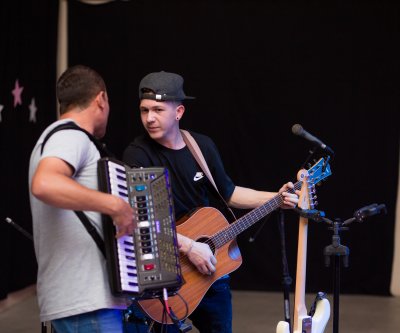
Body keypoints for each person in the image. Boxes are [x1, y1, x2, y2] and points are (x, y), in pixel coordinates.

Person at [122, 71, 300, 333]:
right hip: (165, 273)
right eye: (144, 110)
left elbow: (228, 193)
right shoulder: (137, 155)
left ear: (179, 112)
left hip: (210, 271)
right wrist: (190, 247)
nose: (149, 118)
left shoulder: (201, 146)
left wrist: (275, 197)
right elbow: (142, 221)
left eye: (158, 110)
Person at [29, 65, 135, 332]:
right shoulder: (70, 136)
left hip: (81, 300)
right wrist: (116, 205)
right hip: (86, 303)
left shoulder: (58, 139)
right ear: (101, 99)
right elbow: (45, 183)